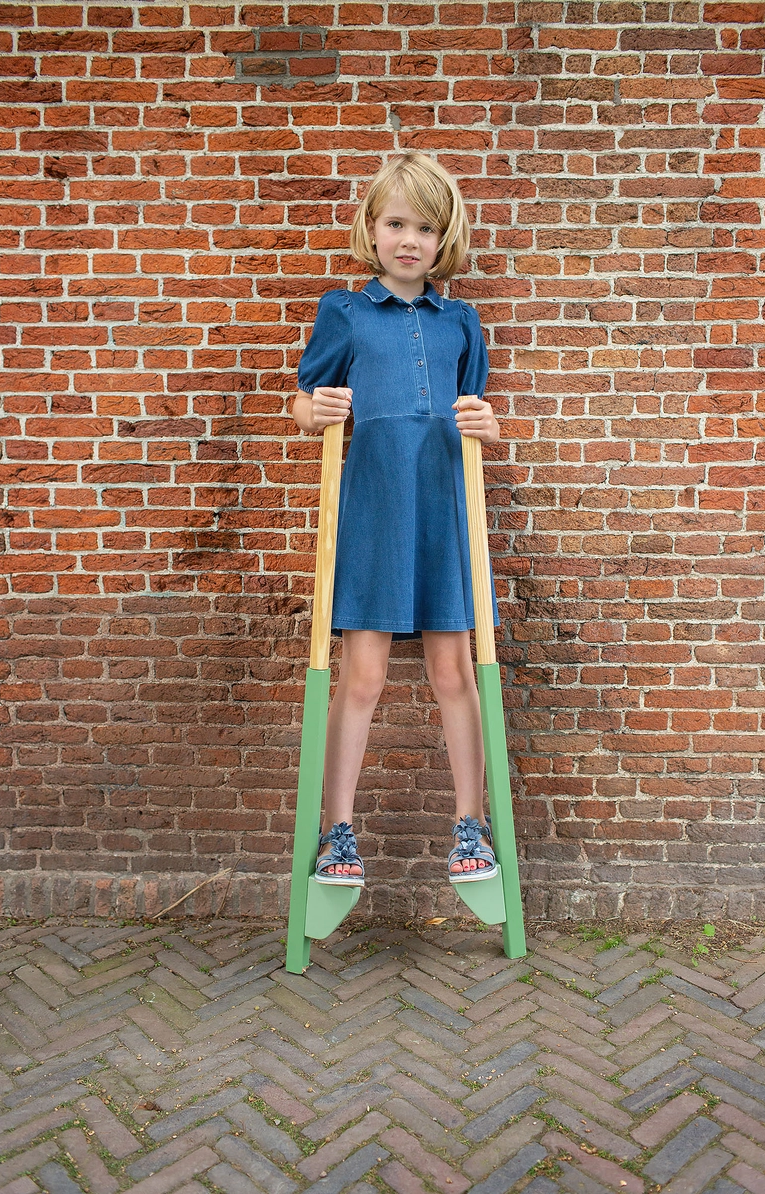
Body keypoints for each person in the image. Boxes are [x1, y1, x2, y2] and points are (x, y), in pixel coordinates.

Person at [290, 151, 503, 890]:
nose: (410, 240)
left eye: (426, 228)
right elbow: (305, 398)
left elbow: (476, 412)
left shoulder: (461, 322)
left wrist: (488, 424)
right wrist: (313, 410)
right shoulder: (344, 312)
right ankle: (337, 832)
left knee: (454, 670)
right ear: (372, 229)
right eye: (396, 223)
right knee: (363, 674)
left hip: (443, 508)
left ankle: (470, 823)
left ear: (446, 240)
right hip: (376, 508)